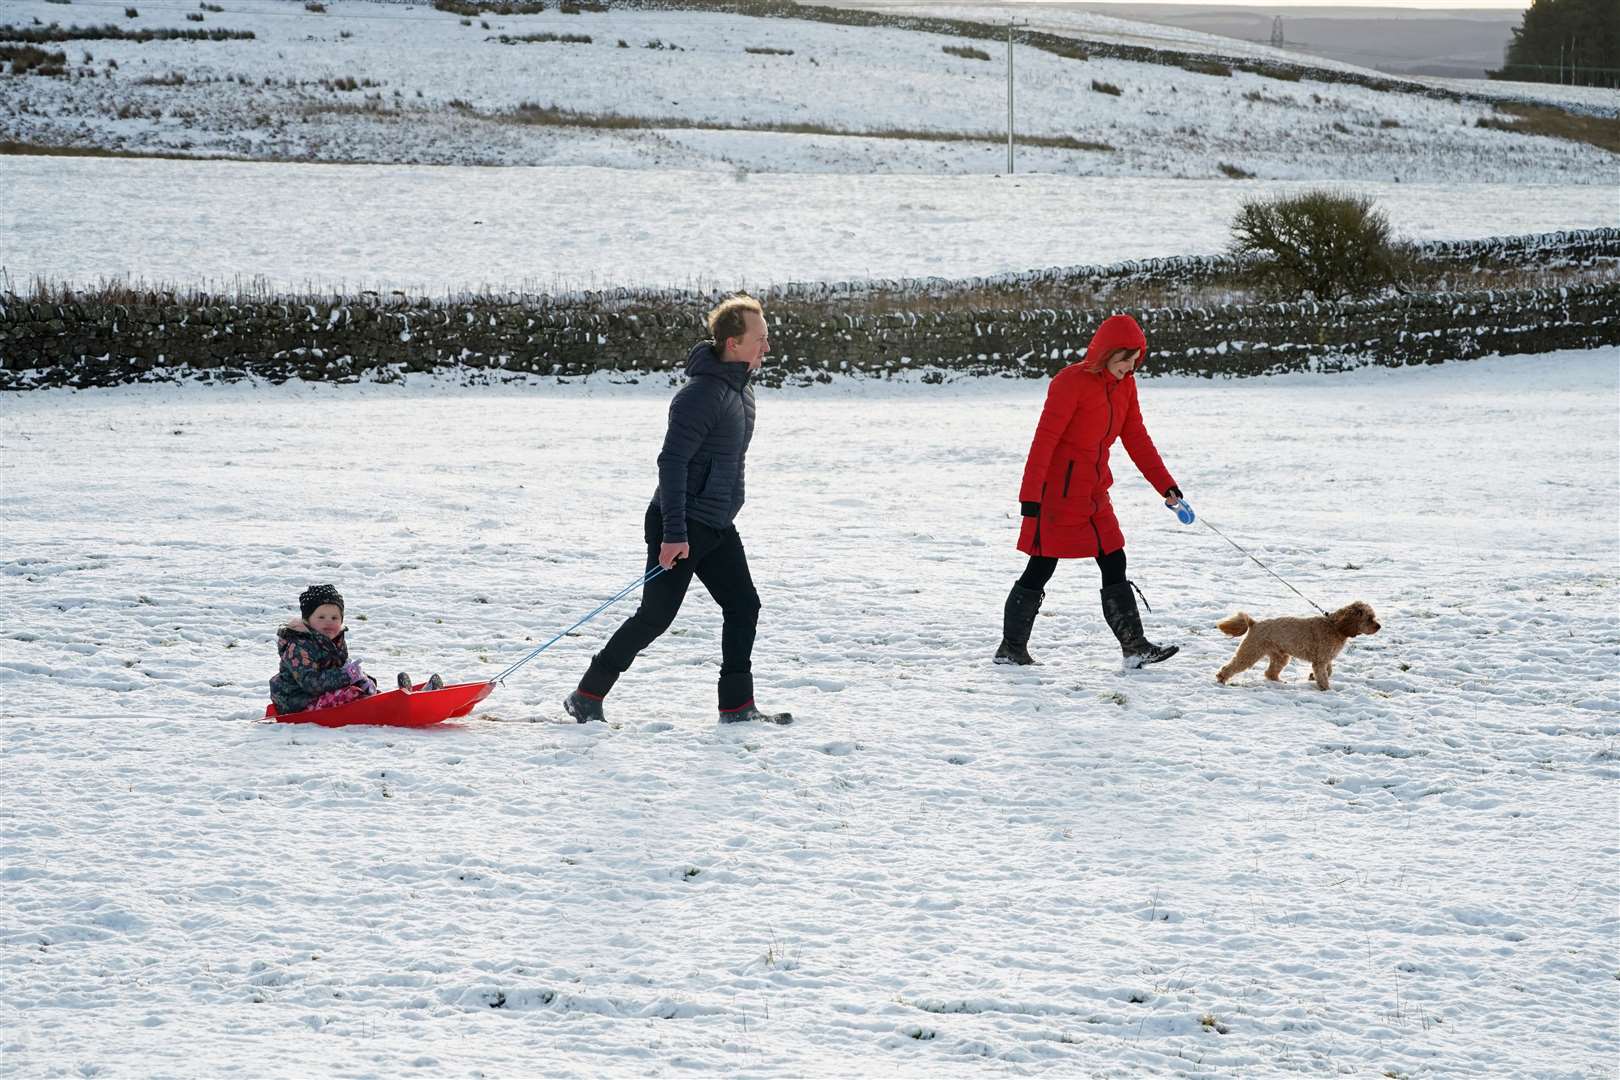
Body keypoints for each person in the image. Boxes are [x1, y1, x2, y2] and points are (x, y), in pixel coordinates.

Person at [563, 295, 791, 726]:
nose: (768, 347)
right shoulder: (700, 395)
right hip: (681, 521)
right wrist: (673, 534)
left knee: (744, 605)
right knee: (654, 618)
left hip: (717, 521)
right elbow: (671, 463)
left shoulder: (741, 391)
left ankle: (737, 707)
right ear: (731, 343)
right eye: (759, 339)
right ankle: (586, 694)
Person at [996, 313, 1185, 669]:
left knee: (1114, 557)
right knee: (1041, 566)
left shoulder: (1126, 387)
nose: (1131, 368)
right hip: (1056, 493)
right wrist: (1030, 496)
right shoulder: (1070, 382)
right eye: (1125, 359)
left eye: (1135, 360)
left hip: (1095, 491)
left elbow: (1137, 439)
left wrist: (1166, 486)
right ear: (1107, 353)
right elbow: (1045, 440)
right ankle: (1011, 649)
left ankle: (1135, 648)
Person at [269, 584, 442, 715]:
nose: (329, 622)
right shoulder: (298, 645)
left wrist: (362, 678)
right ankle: (396, 706)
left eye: (334, 617)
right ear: (307, 620)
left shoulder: (334, 640)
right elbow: (311, 683)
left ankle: (411, 700)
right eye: (321, 617)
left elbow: (340, 670)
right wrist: (347, 677)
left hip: (323, 696)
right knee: (352, 695)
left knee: (361, 689)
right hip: (297, 702)